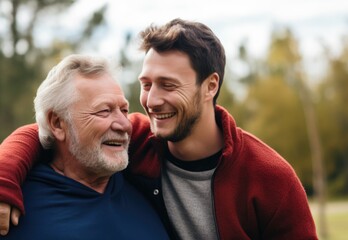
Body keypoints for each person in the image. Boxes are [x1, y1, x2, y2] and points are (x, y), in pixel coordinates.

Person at [0, 19, 318, 239]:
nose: (151, 101)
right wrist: (3, 181)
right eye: (146, 84)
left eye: (167, 85)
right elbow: (43, 132)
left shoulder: (271, 179)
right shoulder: (138, 140)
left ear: (210, 86)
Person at [0, 54, 169, 239]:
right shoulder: (14, 205)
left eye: (124, 110)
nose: (124, 125)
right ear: (57, 124)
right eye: (104, 111)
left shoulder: (149, 188)